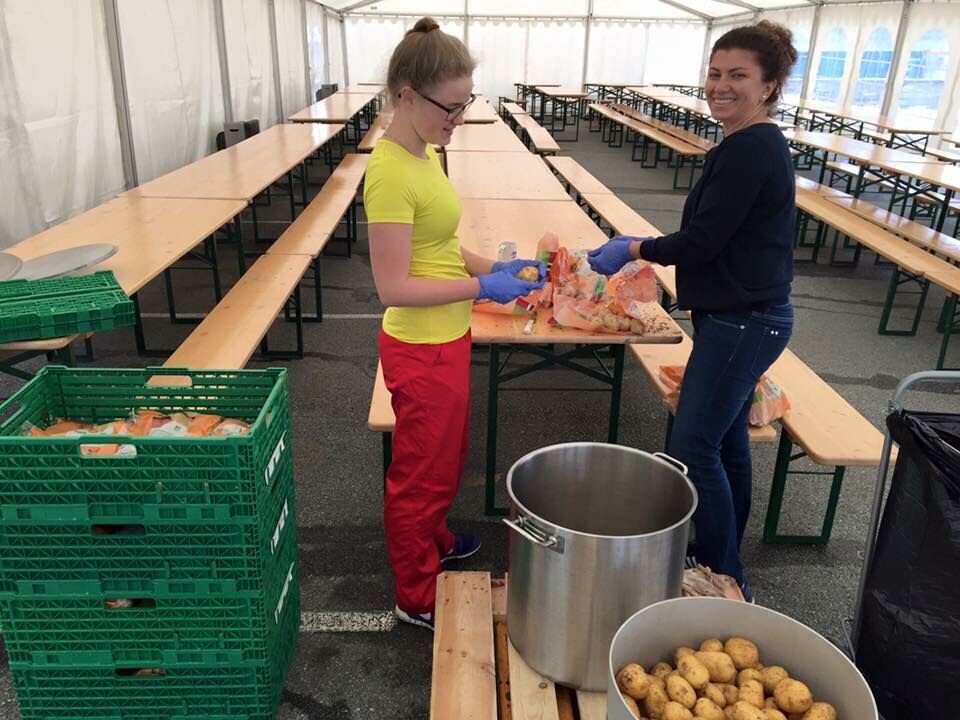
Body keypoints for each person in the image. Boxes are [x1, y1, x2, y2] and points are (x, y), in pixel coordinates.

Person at [588, 21, 798, 601]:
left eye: (738, 76)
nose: (720, 85)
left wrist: (635, 248)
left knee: (693, 446)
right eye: (714, 73)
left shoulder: (750, 149)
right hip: (742, 316)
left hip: (744, 321)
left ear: (769, 85)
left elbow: (702, 241)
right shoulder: (748, 143)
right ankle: (720, 555)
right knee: (726, 441)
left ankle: (724, 574)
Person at [364, 17, 545, 630]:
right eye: (452, 106)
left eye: (467, 102)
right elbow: (392, 287)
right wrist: (481, 288)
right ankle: (415, 593)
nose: (460, 118)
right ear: (408, 95)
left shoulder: (423, 152)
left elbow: (439, 245)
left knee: (445, 457)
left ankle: (435, 539)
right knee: (418, 473)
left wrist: (498, 269)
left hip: (448, 336)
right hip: (420, 348)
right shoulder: (390, 172)